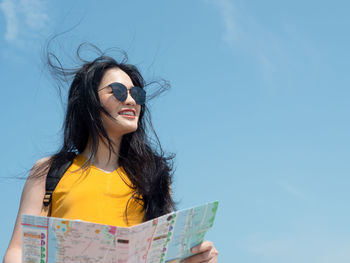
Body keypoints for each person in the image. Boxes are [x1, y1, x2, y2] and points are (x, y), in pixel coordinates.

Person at [3, 50, 218, 263]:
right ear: (88, 99)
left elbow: (165, 255)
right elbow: (17, 251)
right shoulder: (49, 170)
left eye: (137, 94)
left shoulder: (154, 175)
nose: (132, 101)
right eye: (118, 91)